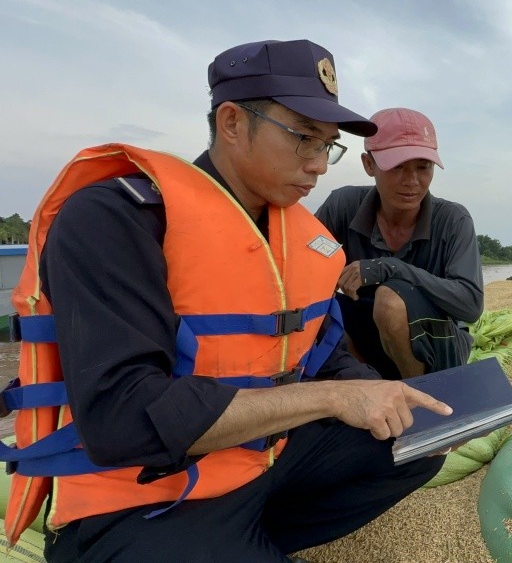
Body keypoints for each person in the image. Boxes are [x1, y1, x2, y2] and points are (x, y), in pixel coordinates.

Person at [3, 39, 454, 562]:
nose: (320, 165)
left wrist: (397, 400)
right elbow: (122, 418)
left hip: (256, 465)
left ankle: (253, 540)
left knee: (416, 446)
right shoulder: (115, 219)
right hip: (140, 498)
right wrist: (331, 400)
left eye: (327, 145)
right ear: (233, 122)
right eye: (304, 138)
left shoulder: (300, 237)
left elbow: (325, 360)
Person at [315, 107, 484, 381]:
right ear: (369, 165)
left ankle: (418, 395)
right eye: (397, 167)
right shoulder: (341, 207)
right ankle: (365, 383)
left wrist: (390, 268)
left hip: (435, 348)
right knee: (320, 304)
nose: (412, 182)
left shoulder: (454, 220)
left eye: (423, 167)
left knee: (390, 301)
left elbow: (471, 306)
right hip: (365, 344)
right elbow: (303, 268)